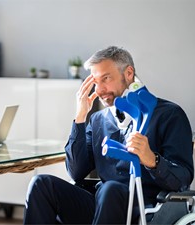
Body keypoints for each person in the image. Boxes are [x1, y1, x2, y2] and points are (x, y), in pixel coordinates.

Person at [23, 46, 194, 224]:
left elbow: (182, 180)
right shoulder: (97, 120)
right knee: (41, 184)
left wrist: (152, 160)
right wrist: (80, 117)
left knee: (110, 189)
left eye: (106, 78)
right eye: (96, 82)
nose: (100, 89)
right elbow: (75, 172)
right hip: (102, 205)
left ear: (129, 73)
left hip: (146, 209)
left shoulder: (169, 115)